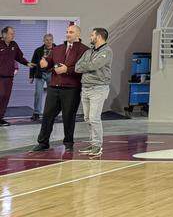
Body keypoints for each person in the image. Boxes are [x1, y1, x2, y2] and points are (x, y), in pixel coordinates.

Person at [30, 23, 88, 153]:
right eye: (67, 32)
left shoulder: (84, 50)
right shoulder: (58, 48)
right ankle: (43, 142)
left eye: (71, 32)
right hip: (54, 87)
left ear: (78, 34)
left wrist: (67, 69)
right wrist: (45, 63)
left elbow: (84, 68)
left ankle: (68, 143)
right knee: (47, 115)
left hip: (71, 88)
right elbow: (49, 62)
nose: (68, 34)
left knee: (68, 117)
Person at [74, 27, 113, 159]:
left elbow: (93, 66)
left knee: (94, 118)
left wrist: (87, 65)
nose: (90, 37)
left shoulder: (107, 51)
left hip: (98, 88)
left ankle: (97, 146)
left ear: (99, 37)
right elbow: (77, 67)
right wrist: (87, 64)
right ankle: (92, 143)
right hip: (85, 88)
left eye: (92, 35)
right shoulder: (88, 51)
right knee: (87, 118)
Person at [0, 26, 30, 126]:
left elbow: (19, 57)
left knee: (5, 97)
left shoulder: (14, 44)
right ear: (4, 34)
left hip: (9, 77)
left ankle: (1, 118)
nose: (13, 35)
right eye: (11, 33)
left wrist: (27, 63)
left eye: (13, 33)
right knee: (1, 96)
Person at [29, 32, 55, 122]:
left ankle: (51, 113)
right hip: (40, 74)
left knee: (52, 95)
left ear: (53, 40)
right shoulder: (38, 50)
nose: (49, 42)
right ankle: (36, 113)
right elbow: (33, 63)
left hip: (52, 74)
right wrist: (31, 76)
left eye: (50, 40)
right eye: (47, 40)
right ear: (43, 41)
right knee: (38, 93)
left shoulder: (57, 49)